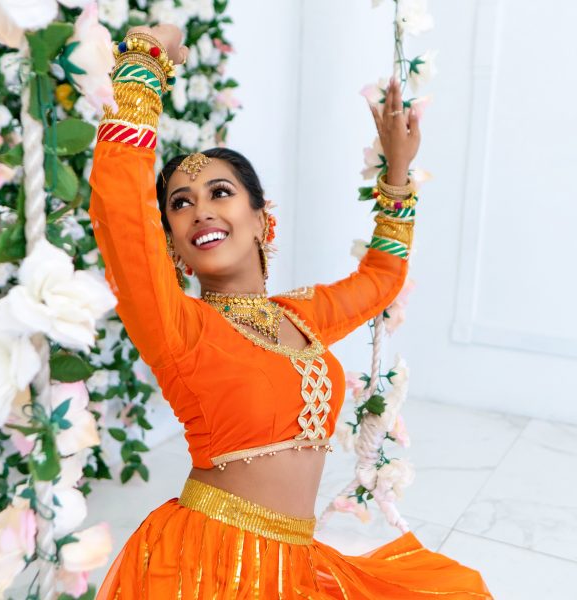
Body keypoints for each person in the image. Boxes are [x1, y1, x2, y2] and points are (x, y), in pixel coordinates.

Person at [89, 22, 492, 600]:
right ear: (172, 247)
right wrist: (146, 60)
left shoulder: (301, 315)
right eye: (181, 204)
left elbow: (382, 277)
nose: (201, 210)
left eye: (220, 193)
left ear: (261, 220)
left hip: (292, 564)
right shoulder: (178, 326)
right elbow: (121, 205)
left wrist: (398, 174)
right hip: (205, 566)